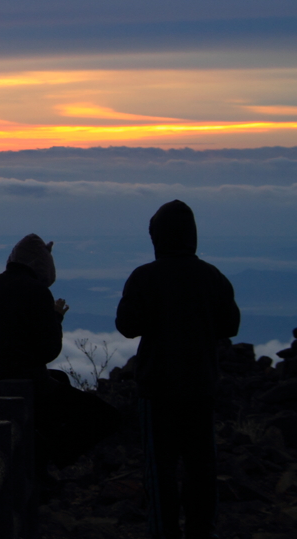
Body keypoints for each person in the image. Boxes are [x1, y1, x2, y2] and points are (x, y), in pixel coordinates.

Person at [117, 200, 240, 539]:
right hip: (201, 387)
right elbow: (231, 325)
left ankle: (164, 533)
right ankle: (202, 533)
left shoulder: (144, 277)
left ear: (158, 237)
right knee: (202, 468)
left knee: (160, 471)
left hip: (156, 390)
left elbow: (126, 325)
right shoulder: (212, 277)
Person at [0, 234, 120, 478]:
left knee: (60, 380)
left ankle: (42, 457)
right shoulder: (37, 291)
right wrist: (56, 318)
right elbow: (48, 350)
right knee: (105, 417)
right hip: (24, 385)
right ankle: (52, 462)